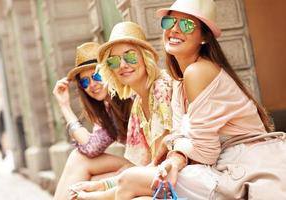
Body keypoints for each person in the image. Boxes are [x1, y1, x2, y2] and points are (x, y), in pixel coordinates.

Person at [114, 0, 286, 199]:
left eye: (187, 25)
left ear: (204, 37)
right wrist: (173, 153)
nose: (175, 29)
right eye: (169, 22)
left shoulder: (199, 71)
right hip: (223, 166)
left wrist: (173, 155)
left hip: (245, 169)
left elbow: (205, 151)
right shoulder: (179, 82)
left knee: (128, 181)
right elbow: (181, 134)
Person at [69, 21, 173, 200]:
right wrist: (101, 185)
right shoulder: (138, 106)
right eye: (114, 60)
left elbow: (159, 165)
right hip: (156, 178)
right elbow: (141, 166)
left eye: (130, 57)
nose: (123, 65)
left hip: (179, 175)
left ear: (145, 56)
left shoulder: (161, 89)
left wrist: (100, 193)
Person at [52, 42, 133, 200]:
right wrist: (65, 107)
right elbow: (92, 148)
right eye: (85, 82)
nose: (92, 84)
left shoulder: (130, 95)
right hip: (135, 165)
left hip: (152, 165)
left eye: (97, 76)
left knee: (79, 163)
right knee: (83, 179)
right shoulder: (109, 110)